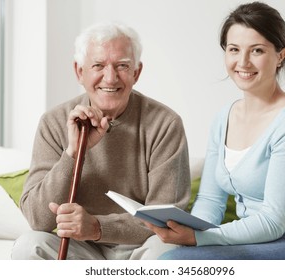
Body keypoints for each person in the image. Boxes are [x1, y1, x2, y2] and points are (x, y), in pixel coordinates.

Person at [145, 2, 285, 260]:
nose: (243, 62)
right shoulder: (223, 118)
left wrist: (199, 238)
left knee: (174, 262)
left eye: (257, 50)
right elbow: (209, 201)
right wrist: (188, 232)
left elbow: (273, 222)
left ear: (281, 55)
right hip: (262, 243)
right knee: (175, 255)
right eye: (234, 49)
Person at [11, 22, 191, 260]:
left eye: (122, 66)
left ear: (136, 73)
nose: (110, 77)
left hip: (140, 248)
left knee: (166, 252)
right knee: (28, 246)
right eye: (98, 65)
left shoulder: (165, 123)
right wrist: (73, 153)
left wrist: (97, 227)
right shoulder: (54, 122)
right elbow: (37, 218)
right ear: (79, 72)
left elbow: (166, 219)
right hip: (78, 247)